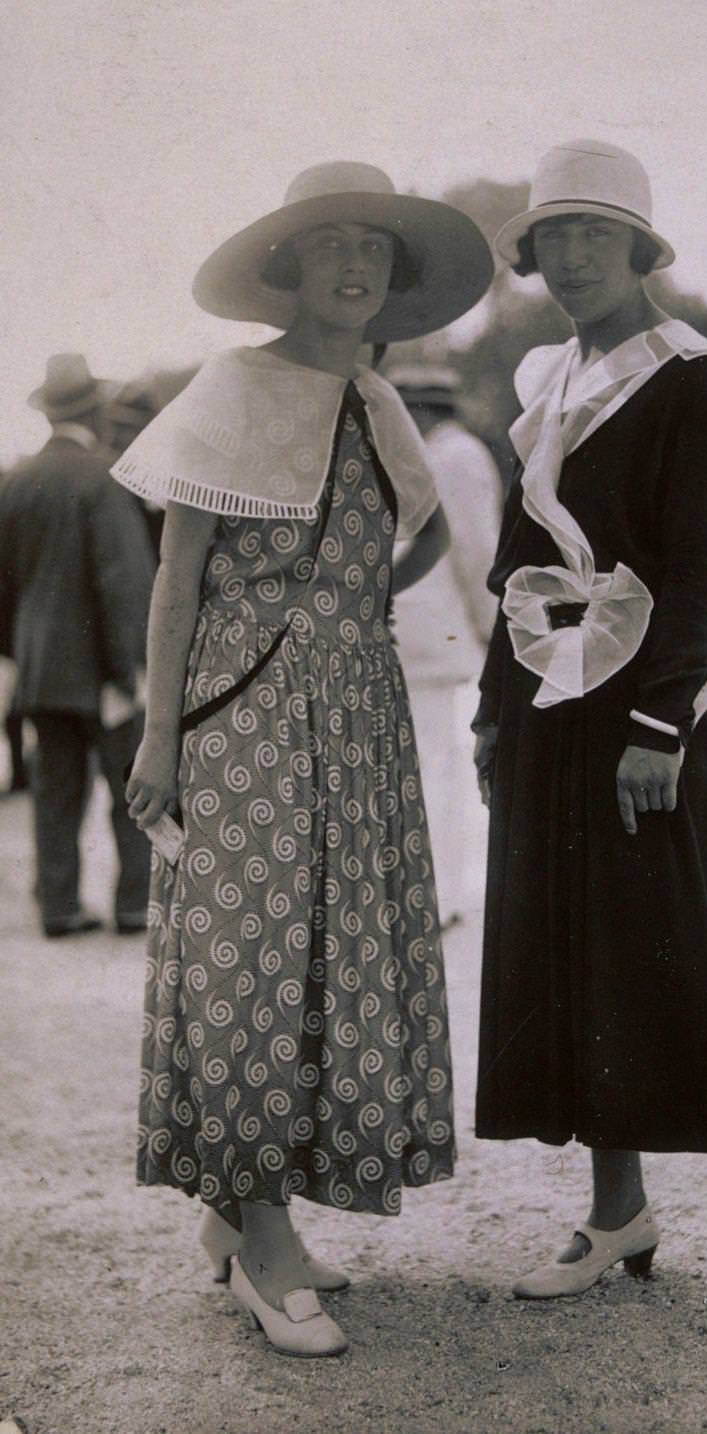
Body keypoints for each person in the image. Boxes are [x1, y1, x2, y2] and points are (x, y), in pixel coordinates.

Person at [113, 162, 493, 1357]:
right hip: (246, 701)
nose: (354, 268)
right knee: (250, 956)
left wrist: (350, 611)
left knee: (337, 947)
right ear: (287, 269)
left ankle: (246, 1210)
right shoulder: (232, 385)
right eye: (331, 246)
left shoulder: (380, 401)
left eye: (374, 253)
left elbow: (427, 534)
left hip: (359, 701)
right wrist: (161, 730)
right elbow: (179, 574)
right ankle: (261, 1235)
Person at [473, 141, 707, 1338]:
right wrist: (486, 710)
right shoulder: (547, 380)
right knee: (569, 954)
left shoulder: (688, 376)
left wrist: (664, 721)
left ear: (636, 248)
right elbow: (522, 564)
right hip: (545, 706)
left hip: (646, 715)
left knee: (666, 957)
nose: (566, 259)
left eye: (589, 235)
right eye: (548, 238)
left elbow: (697, 566)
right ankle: (619, 1210)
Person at [0, 355, 155, 936]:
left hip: (40, 667)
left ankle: (59, 906)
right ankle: (134, 902)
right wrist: (130, 669)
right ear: (93, 408)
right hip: (99, 668)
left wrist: (17, 654)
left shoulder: (15, 482)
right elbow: (124, 581)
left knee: (55, 788)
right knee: (129, 787)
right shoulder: (106, 474)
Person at [385, 362, 502, 922]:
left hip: (401, 625)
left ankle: (413, 892)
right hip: (434, 631)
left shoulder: (415, 454)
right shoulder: (462, 457)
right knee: (437, 765)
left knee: (413, 763)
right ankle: (438, 895)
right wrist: (493, 626)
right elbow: (480, 553)